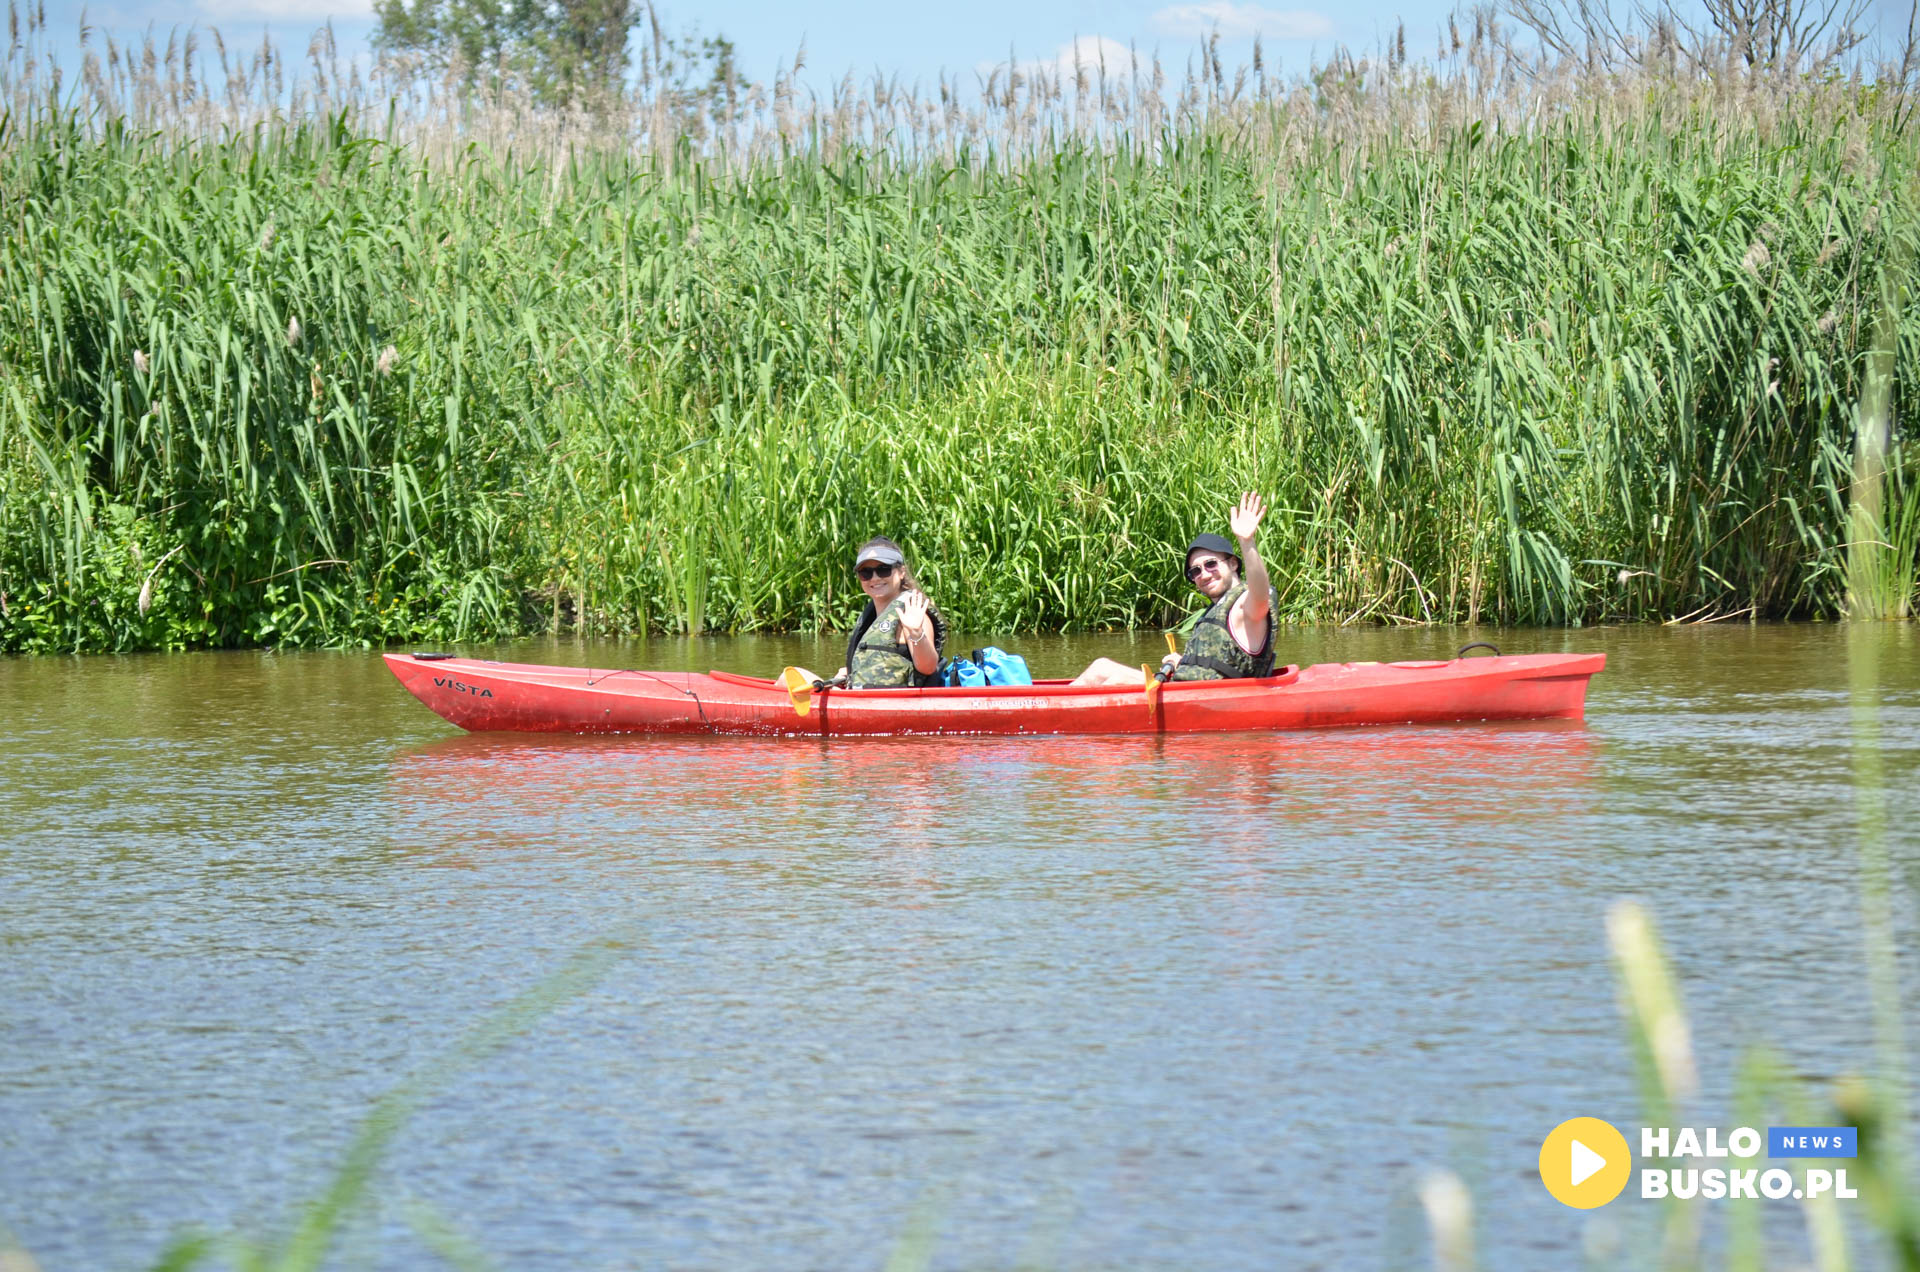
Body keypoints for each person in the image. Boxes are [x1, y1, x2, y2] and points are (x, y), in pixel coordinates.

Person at [1072, 492, 1277, 686]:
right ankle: (1044, 706)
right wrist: (1183, 663)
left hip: (1208, 699)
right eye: (1195, 571)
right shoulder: (1219, 609)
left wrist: (1246, 542)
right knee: (1101, 667)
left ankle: (1052, 715)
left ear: (1233, 564)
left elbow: (1260, 594)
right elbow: (1216, 665)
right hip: (1190, 691)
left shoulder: (1244, 605)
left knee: (1115, 682)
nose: (1203, 574)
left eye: (1211, 564)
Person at [830, 537, 947, 689]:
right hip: (863, 698)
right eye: (866, 573)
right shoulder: (871, 617)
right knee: (790, 675)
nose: (875, 578)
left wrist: (916, 633)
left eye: (883, 570)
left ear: (901, 572)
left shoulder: (913, 612)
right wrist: (850, 673)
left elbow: (928, 667)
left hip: (897, 702)